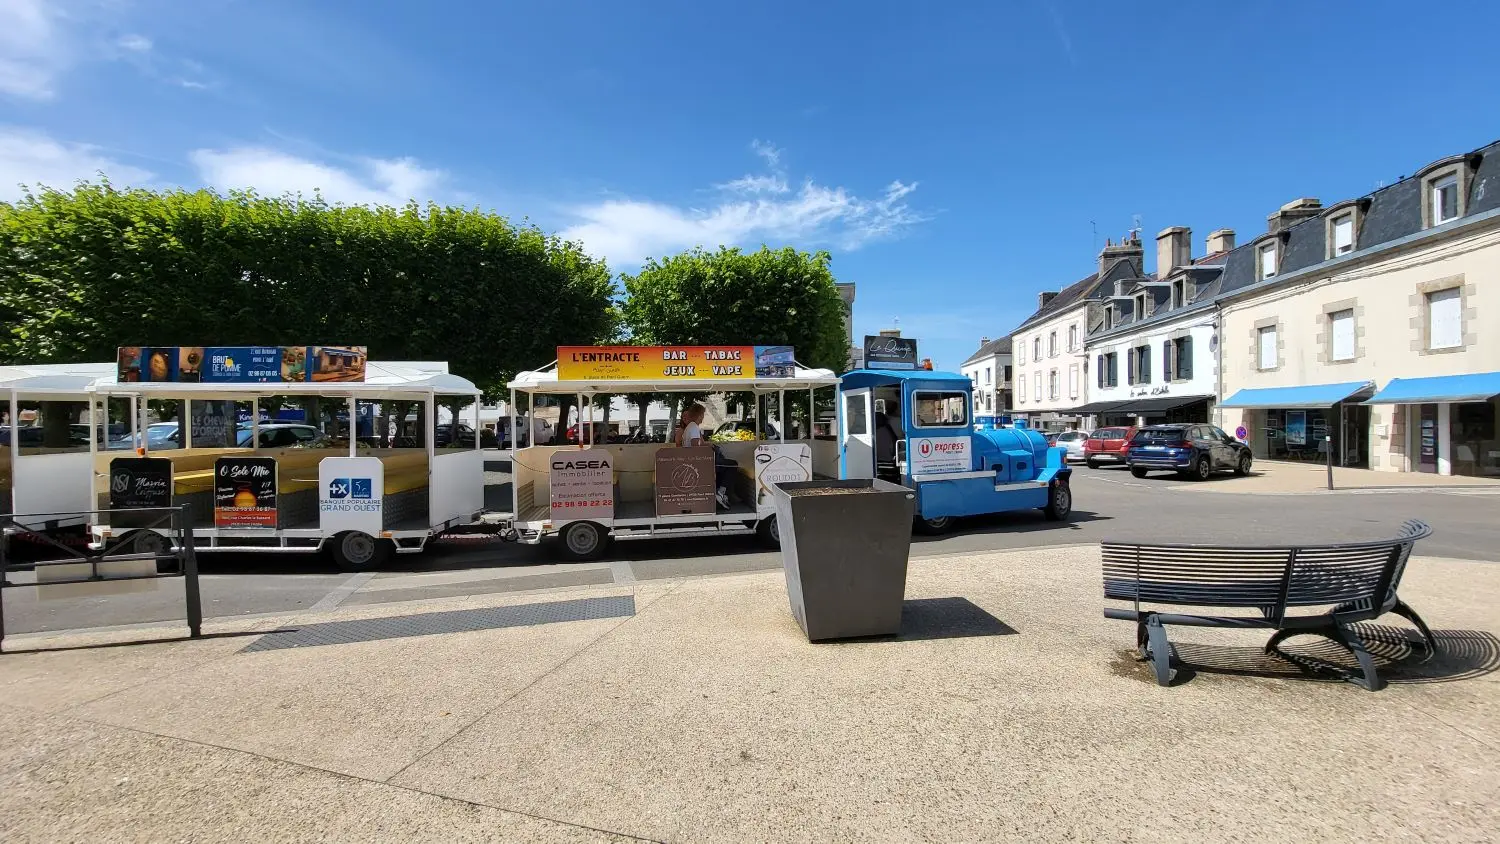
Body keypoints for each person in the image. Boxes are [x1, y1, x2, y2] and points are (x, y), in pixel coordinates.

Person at [674, 403, 736, 510]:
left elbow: (697, 444)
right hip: (698, 464)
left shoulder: (690, 427)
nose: (703, 417)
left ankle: (719, 492)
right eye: (703, 414)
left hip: (694, 463)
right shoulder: (693, 428)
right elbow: (695, 448)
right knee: (733, 465)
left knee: (724, 464)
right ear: (699, 415)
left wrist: (709, 446)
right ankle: (721, 493)